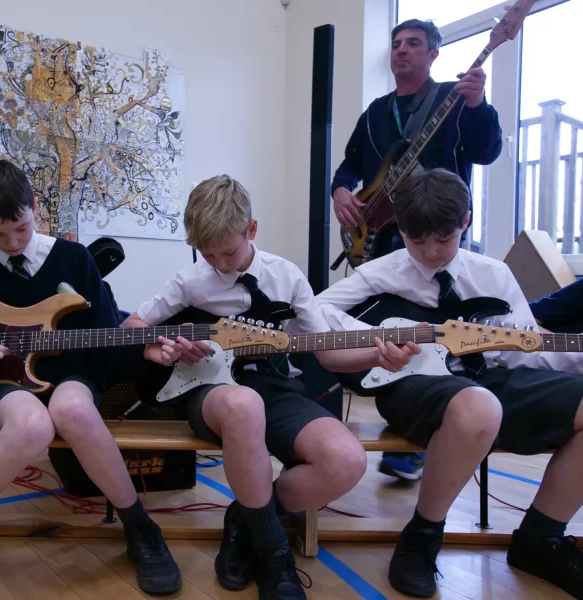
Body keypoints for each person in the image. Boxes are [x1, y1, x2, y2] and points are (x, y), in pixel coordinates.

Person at [0, 160, 181, 600]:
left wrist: (146, 351)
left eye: (21, 230)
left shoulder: (74, 259)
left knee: (71, 410)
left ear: (35, 210)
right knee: (31, 425)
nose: (11, 243)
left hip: (70, 377)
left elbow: (105, 336)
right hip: (3, 385)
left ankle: (140, 526)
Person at [122, 175, 419, 599]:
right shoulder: (190, 281)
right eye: (208, 255)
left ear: (252, 230)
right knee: (243, 406)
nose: (220, 265)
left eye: (228, 251)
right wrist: (157, 345)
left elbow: (327, 354)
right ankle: (274, 552)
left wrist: (378, 355)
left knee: (345, 460)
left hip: (275, 387)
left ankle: (246, 518)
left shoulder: (287, 278)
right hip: (212, 392)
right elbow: (132, 323)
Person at [317, 168, 583, 599]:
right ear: (400, 229)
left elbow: (527, 349)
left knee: (488, 400)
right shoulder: (382, 272)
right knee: (478, 407)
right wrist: (379, 341)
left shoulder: (493, 275)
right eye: (416, 240)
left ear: (466, 222)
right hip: (411, 385)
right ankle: (422, 536)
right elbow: (315, 314)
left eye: (444, 239)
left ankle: (542, 539)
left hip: (487, 380)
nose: (431, 253)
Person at [331, 18, 503, 481]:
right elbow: (351, 163)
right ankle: (398, 419)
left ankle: (425, 433)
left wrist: (478, 103)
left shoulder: (454, 98)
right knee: (388, 331)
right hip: (385, 237)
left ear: (433, 55)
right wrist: (341, 191)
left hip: (435, 236)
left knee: (434, 332)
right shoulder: (375, 113)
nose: (402, 51)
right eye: (396, 44)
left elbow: (487, 151)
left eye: (413, 44)